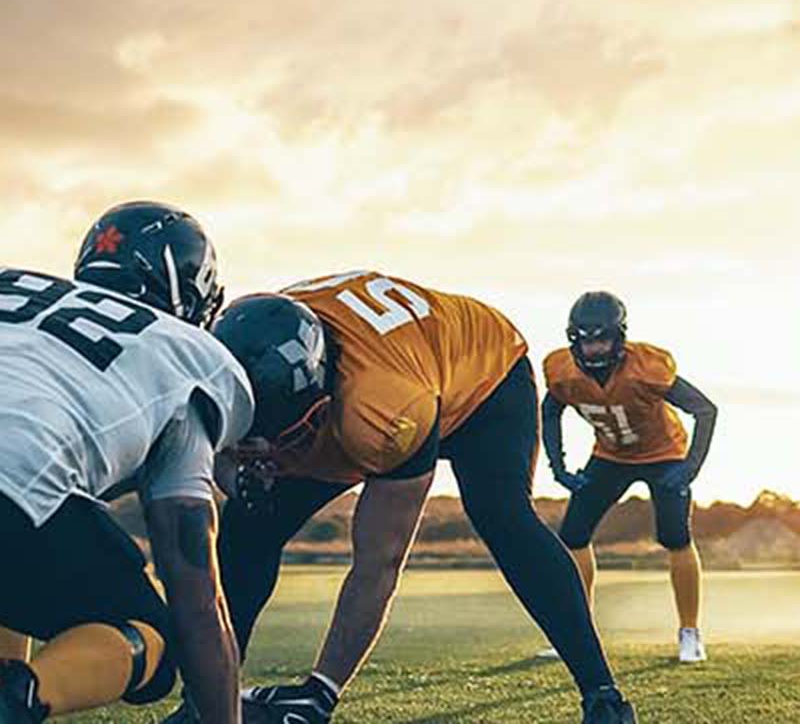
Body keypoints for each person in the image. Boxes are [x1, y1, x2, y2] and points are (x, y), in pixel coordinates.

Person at [166, 270, 636, 724]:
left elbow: (379, 561)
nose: (268, 453)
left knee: (503, 519)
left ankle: (602, 696)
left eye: (283, 437)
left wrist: (320, 695)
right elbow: (218, 454)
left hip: (482, 378)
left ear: (321, 404)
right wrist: (239, 475)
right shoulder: (225, 361)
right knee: (249, 524)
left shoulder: (381, 411)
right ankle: (206, 701)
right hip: (393, 357)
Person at [0, 201, 254, 723]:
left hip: (19, 495)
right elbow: (195, 593)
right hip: (12, 486)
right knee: (155, 638)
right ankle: (19, 696)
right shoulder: (183, 353)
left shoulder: (10, 284)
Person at [542, 291, 717, 663]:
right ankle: (578, 630)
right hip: (610, 455)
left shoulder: (648, 367)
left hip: (663, 454)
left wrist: (690, 467)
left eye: (601, 339)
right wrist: (557, 467)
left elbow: (705, 410)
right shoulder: (562, 371)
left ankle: (690, 632)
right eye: (585, 340)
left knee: (675, 537)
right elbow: (550, 412)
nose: (592, 349)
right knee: (572, 535)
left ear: (619, 337)